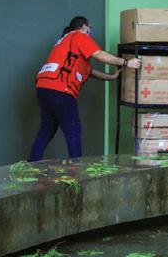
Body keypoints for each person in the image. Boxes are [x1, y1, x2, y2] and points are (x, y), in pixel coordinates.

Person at [29, 16, 141, 160]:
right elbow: (99, 55)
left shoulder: (66, 42)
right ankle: (77, 167)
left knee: (46, 130)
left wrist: (111, 77)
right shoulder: (79, 36)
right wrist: (127, 62)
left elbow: (89, 71)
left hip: (43, 87)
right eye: (90, 28)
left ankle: (31, 164)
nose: (90, 31)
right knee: (73, 130)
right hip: (60, 89)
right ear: (84, 27)